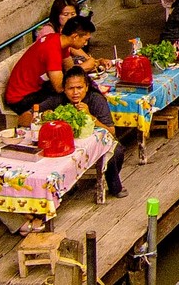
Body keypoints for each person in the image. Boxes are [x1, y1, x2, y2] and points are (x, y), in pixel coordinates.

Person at [41, 67, 126, 197]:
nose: (75, 92)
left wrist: (90, 116)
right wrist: (42, 115)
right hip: (67, 145)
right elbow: (27, 116)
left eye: (79, 88)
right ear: (64, 89)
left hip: (94, 142)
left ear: (86, 87)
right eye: (71, 88)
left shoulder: (96, 100)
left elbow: (111, 131)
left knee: (117, 150)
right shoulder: (58, 100)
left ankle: (115, 186)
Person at [4, 16, 97, 119]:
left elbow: (70, 69)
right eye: (85, 40)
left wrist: (82, 69)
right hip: (20, 98)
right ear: (75, 36)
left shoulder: (60, 40)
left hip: (36, 88)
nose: (86, 43)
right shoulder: (52, 50)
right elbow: (60, 87)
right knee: (68, 97)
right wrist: (83, 68)